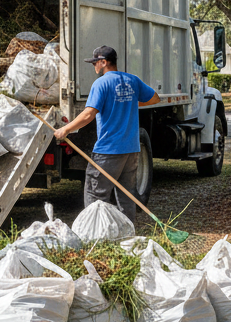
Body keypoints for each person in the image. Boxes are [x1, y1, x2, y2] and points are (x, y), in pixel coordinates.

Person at [53, 44, 160, 222]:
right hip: (131, 149)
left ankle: (96, 235)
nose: (94, 66)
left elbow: (88, 114)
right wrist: (129, 103)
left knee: (95, 194)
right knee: (127, 195)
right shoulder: (132, 80)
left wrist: (66, 129)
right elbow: (155, 98)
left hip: (108, 150)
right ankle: (128, 234)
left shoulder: (101, 83)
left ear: (103, 62)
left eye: (95, 62)